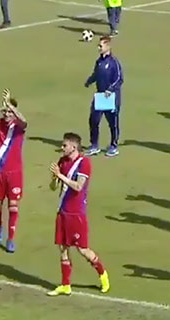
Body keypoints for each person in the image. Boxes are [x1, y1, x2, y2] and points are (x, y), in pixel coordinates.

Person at [47, 132, 110, 296]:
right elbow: (53, 188)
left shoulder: (84, 163)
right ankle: (65, 285)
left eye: (64, 145)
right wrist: (54, 177)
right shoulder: (62, 161)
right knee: (63, 248)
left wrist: (60, 175)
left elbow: (78, 186)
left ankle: (102, 274)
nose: (62, 148)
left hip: (76, 213)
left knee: (83, 249)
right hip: (62, 211)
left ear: (73, 147)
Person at [0, 89, 27, 253]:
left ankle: (10, 238)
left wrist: (11, 105)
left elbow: (24, 120)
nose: (8, 114)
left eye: (11, 112)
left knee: (13, 206)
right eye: (7, 111)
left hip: (14, 173)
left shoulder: (18, 128)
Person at [84, 36, 124, 157]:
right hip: (100, 96)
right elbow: (96, 74)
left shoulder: (114, 62)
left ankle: (113, 145)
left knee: (113, 123)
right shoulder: (99, 61)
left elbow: (119, 79)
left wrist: (110, 89)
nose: (99, 48)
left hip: (111, 97)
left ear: (108, 46)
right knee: (93, 120)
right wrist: (89, 81)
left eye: (101, 46)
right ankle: (94, 145)